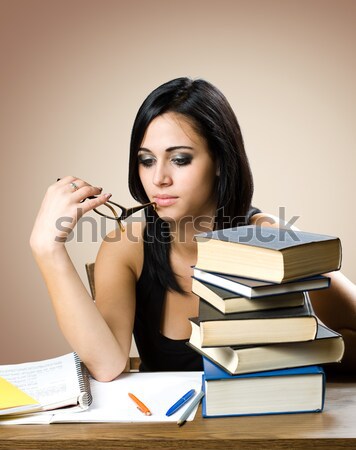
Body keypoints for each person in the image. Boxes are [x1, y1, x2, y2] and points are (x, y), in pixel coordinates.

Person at [30, 77, 356, 381]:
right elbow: (107, 365)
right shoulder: (126, 246)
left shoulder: (269, 240)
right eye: (146, 160)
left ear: (219, 161)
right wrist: (48, 250)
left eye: (180, 159)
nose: (158, 179)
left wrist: (310, 352)